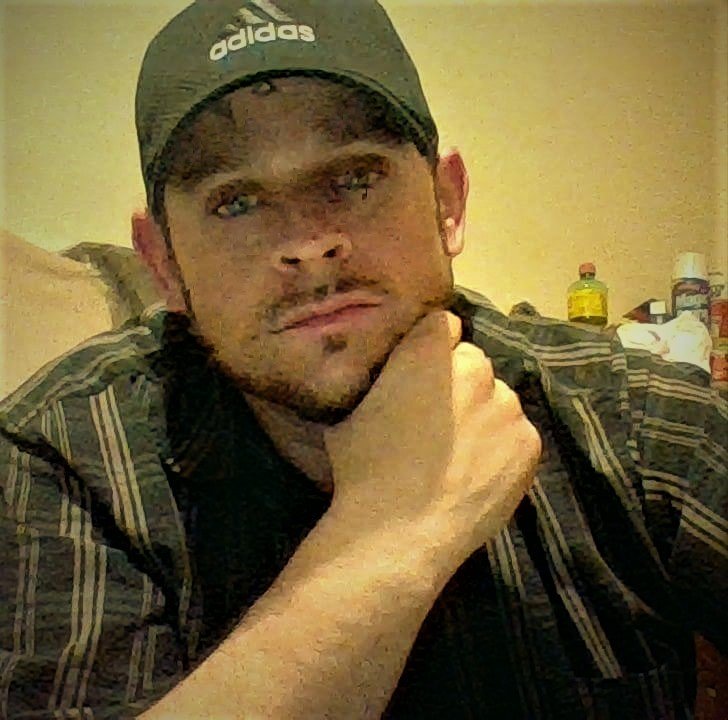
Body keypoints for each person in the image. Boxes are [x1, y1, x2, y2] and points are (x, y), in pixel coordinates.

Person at [0, 1, 725, 718]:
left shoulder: (630, 419)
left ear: (447, 203)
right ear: (162, 264)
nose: (308, 243)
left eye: (354, 177)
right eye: (236, 201)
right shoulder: (60, 462)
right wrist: (391, 529)